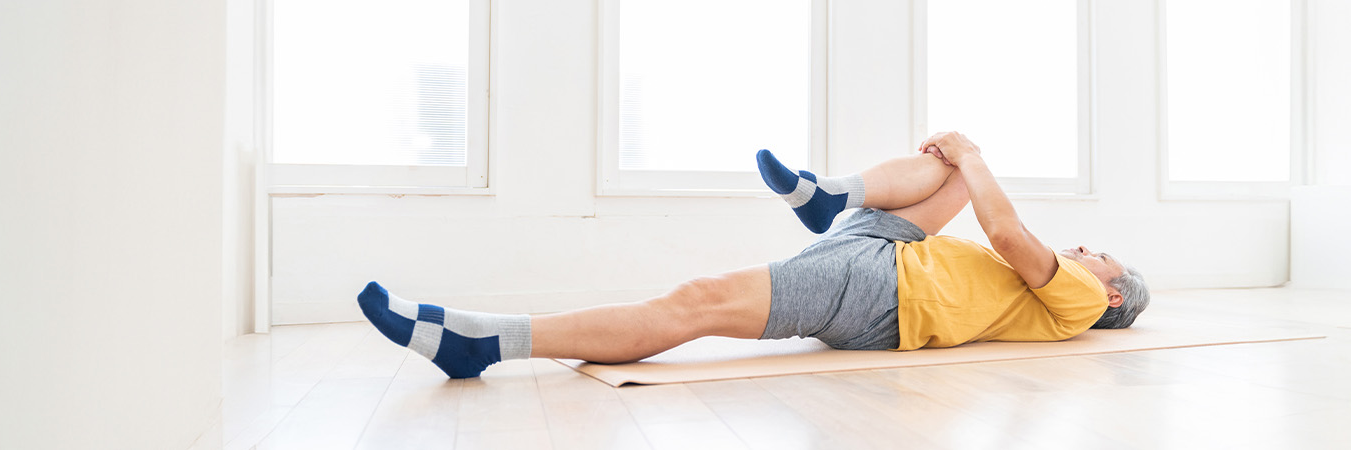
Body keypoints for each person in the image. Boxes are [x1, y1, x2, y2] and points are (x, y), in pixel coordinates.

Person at [356, 132, 1151, 378]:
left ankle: (486, 341)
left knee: (694, 303)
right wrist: (962, 159)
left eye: (1101, 256)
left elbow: (1009, 234)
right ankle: (831, 197)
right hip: (891, 249)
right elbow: (985, 218)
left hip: (883, 293)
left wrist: (978, 155)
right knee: (944, 166)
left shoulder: (1079, 304)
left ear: (1112, 296)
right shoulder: (1064, 291)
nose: (1085, 250)